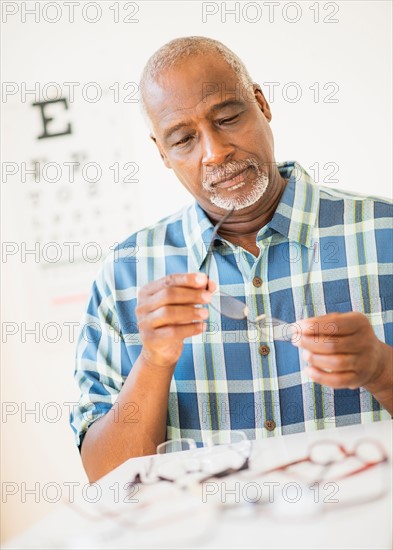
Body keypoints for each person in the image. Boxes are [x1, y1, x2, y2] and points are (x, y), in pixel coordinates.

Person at [70, 36, 392, 482]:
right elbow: (104, 476)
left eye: (227, 117)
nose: (215, 152)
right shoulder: (126, 273)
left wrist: (381, 369)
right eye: (183, 139)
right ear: (162, 153)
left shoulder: (385, 234)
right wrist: (154, 361)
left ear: (261, 104)